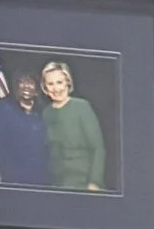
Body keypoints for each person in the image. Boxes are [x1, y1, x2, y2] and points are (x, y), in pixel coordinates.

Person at [38, 58, 107, 193]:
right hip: (57, 184)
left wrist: (94, 183)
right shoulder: (46, 113)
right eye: (50, 84)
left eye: (59, 82)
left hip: (84, 184)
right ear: (45, 87)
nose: (56, 88)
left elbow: (98, 149)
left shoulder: (82, 107)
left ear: (68, 83)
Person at [0, 64, 45, 186]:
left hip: (41, 175)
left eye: (31, 82)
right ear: (16, 86)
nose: (26, 86)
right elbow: (0, 145)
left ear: (37, 89)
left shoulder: (43, 111)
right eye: (22, 82)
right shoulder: (5, 107)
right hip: (14, 175)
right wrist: (9, 174)